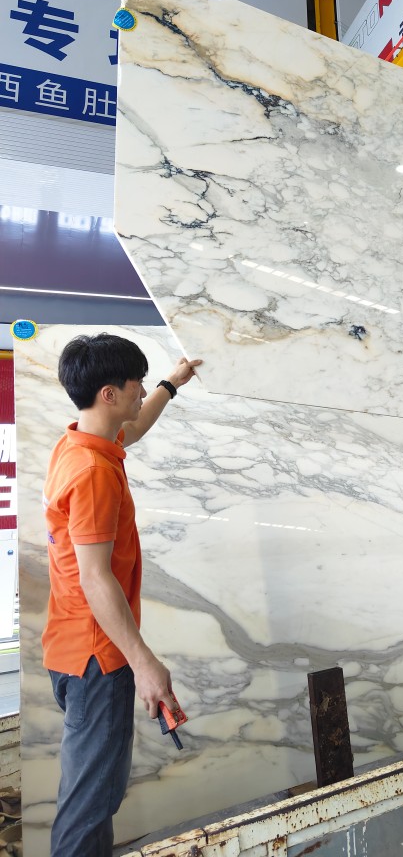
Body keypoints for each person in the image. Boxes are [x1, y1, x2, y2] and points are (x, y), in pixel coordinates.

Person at [43, 333, 202, 857]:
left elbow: (132, 428)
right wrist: (144, 662)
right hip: (99, 657)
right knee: (89, 809)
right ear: (109, 393)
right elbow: (95, 578)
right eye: (137, 383)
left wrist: (171, 384)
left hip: (72, 647)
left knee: (93, 796)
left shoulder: (77, 443)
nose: (141, 391)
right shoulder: (92, 473)